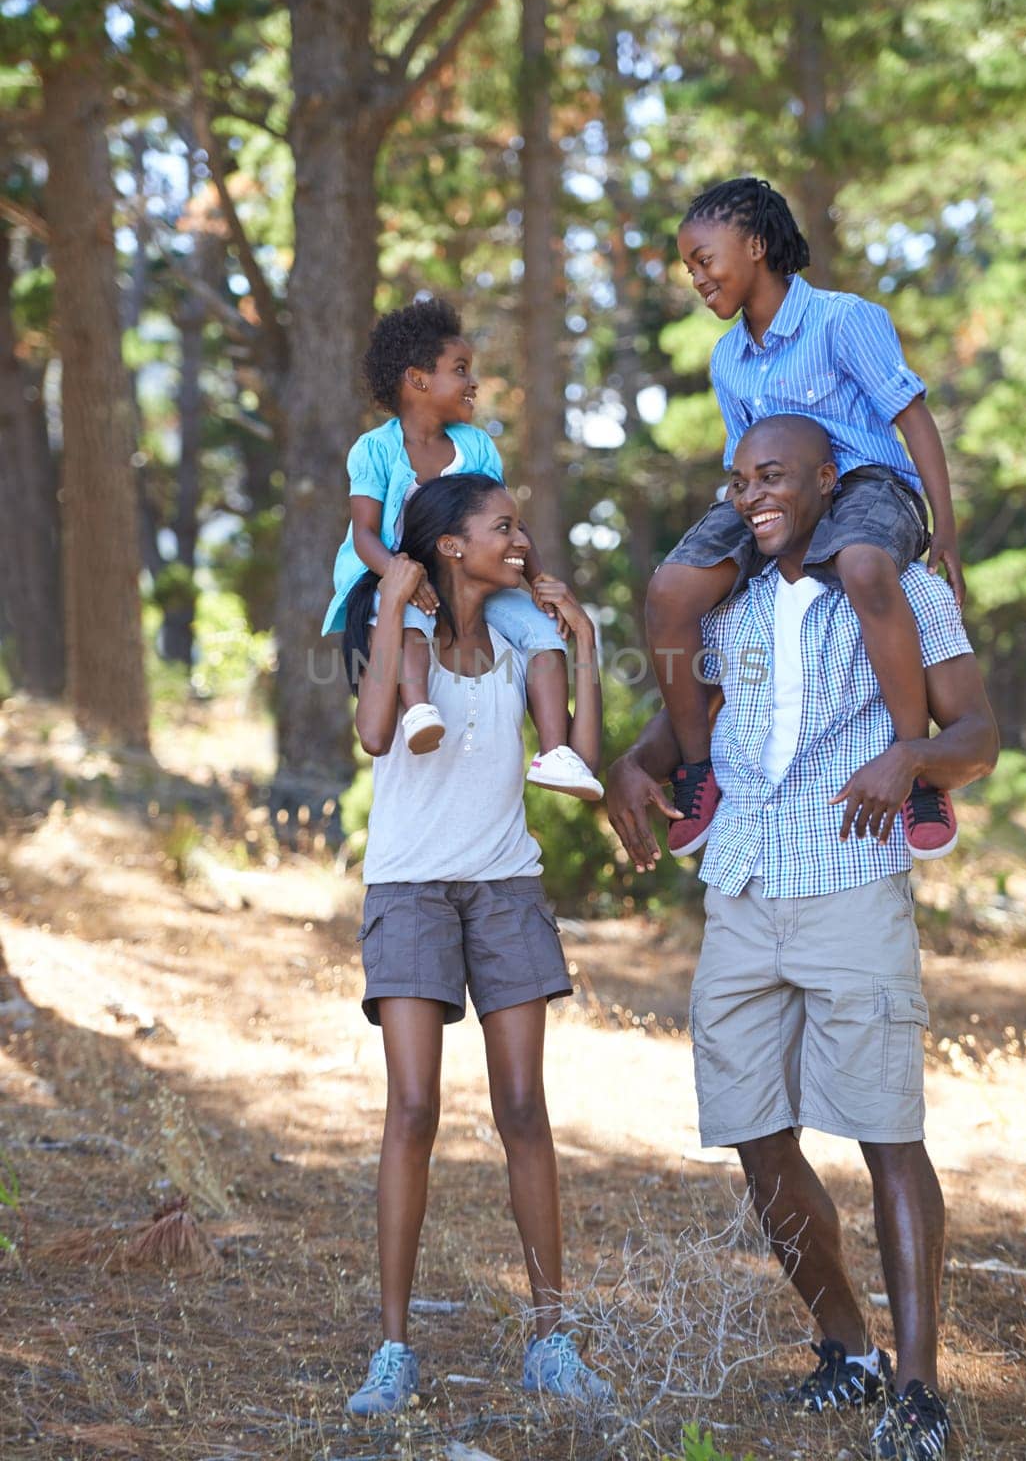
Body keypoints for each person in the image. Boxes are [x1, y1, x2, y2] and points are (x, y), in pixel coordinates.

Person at [608, 416, 998, 1461]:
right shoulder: (725, 597)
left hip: (850, 879)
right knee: (754, 1129)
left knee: (886, 1132)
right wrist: (638, 764)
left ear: (830, 482)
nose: (752, 495)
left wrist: (911, 759)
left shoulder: (902, 588)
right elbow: (697, 720)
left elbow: (977, 735)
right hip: (743, 879)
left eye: (773, 476)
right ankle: (847, 1350)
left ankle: (917, 1392)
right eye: (739, 481)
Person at [343, 472, 611, 1415]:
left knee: (524, 1107)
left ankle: (552, 1338)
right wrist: (387, 605)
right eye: (504, 526)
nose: (522, 538)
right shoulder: (409, 636)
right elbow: (376, 732)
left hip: (504, 884)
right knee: (412, 1108)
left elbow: (576, 753)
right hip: (411, 887)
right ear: (451, 546)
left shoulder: (521, 640)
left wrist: (582, 641)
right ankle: (393, 1348)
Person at [645, 177, 963, 862]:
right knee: (670, 590)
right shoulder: (728, 357)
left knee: (863, 564)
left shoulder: (844, 320)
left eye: (706, 259)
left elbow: (912, 418)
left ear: (756, 246)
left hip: (867, 484)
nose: (696, 278)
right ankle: (698, 769)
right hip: (771, 494)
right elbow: (742, 470)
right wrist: (743, 520)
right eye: (689, 267)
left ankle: (919, 770)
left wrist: (947, 527)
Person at [323, 295, 601, 800]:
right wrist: (401, 576)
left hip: (471, 573)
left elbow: (507, 522)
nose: (473, 381)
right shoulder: (377, 448)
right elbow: (364, 532)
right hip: (395, 573)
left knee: (542, 634)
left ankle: (556, 751)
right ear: (418, 379)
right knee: (407, 620)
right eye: (460, 369)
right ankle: (420, 706)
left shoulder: (476, 446)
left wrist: (537, 579)